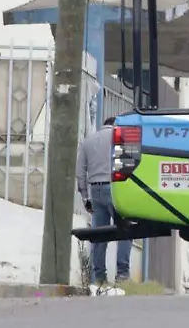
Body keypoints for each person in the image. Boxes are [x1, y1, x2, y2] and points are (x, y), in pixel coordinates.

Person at [76, 116, 131, 293]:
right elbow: (128, 167)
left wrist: (85, 197)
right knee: (125, 232)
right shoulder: (120, 138)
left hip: (95, 190)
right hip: (117, 188)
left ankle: (98, 277)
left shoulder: (88, 142)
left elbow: (80, 172)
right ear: (116, 125)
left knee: (99, 235)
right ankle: (122, 275)